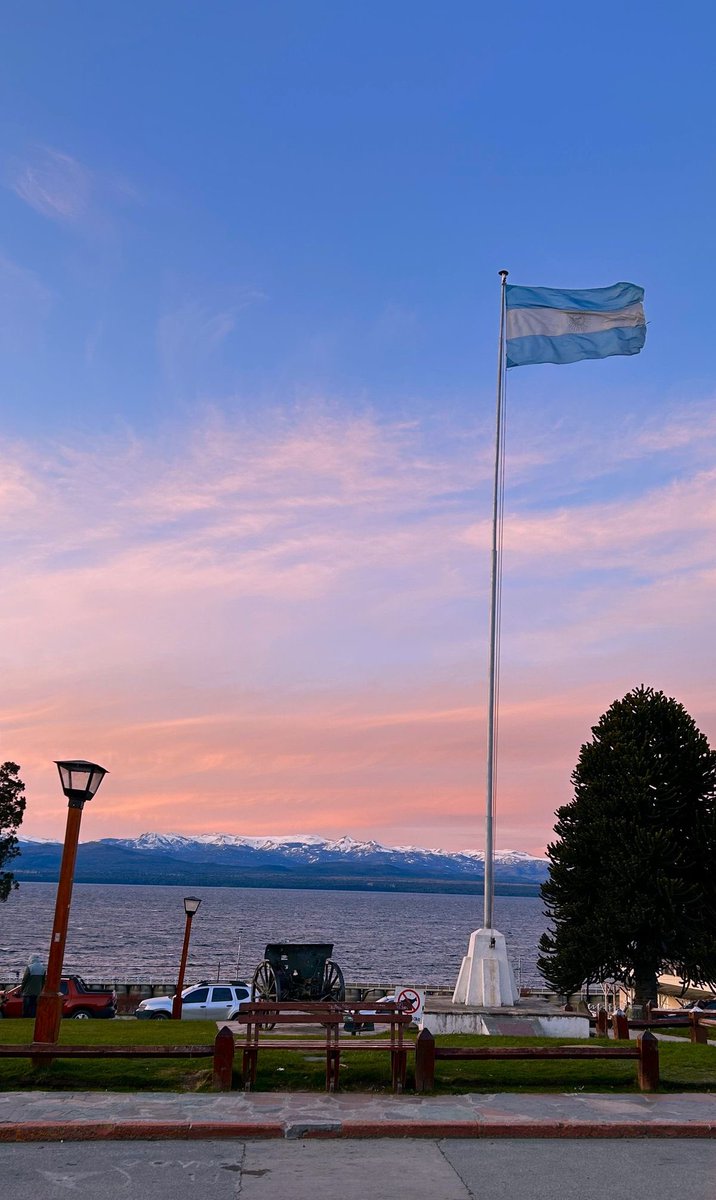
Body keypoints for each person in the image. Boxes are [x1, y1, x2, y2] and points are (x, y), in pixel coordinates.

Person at [20, 953, 45, 1018]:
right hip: (37, 992)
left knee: (26, 1008)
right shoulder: (43, 968)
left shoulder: (29, 967)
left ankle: (26, 1019)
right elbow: (43, 981)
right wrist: (41, 990)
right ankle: (33, 1018)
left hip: (28, 992)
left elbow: (24, 980)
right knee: (34, 1007)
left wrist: (22, 989)